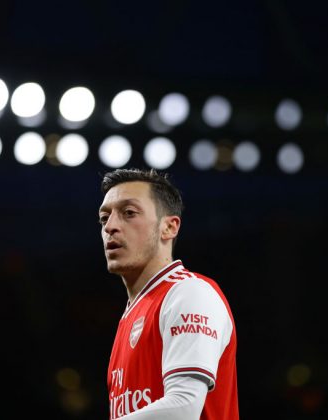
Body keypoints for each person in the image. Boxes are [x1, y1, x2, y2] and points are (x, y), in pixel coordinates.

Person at [99, 168, 238, 419]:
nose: (110, 226)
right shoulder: (130, 315)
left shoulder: (190, 293)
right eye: (104, 218)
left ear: (169, 227)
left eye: (129, 213)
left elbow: (184, 408)